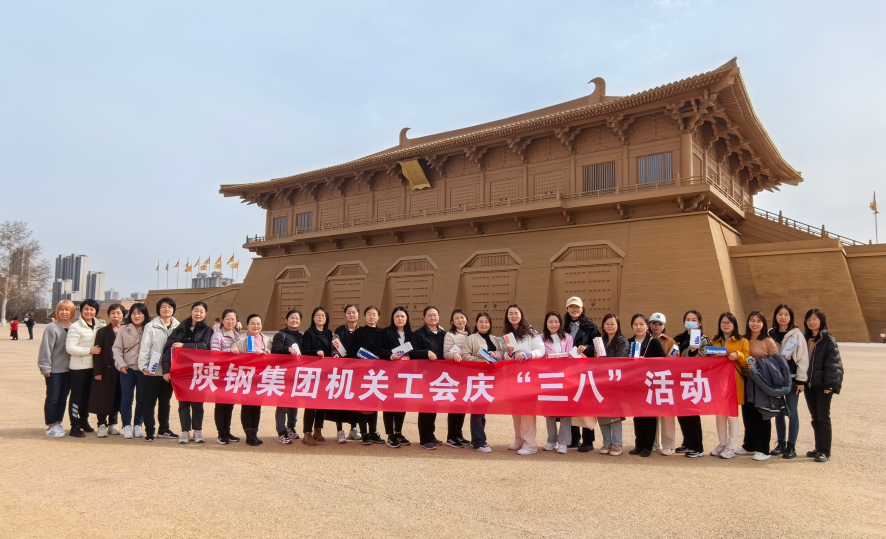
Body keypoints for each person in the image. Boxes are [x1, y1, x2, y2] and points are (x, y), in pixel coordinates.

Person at [448, 311, 500, 453]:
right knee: (477, 410)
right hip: (476, 378)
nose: (484, 324)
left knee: (483, 411)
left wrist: (496, 354)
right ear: (476, 324)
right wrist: (479, 361)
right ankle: (478, 442)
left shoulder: (495, 339)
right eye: (481, 321)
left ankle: (480, 438)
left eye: (487, 322)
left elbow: (502, 354)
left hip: (491, 378)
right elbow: (465, 356)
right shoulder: (471, 339)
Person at [162, 302, 213, 444]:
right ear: (191, 311)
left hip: (198, 371)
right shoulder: (180, 329)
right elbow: (167, 349)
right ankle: (185, 431)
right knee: (183, 403)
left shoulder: (207, 330)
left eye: (202, 311)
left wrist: (184, 346)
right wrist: (166, 370)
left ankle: (197, 431)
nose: (198, 314)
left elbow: (205, 346)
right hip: (181, 372)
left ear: (205, 314)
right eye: (196, 310)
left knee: (197, 403)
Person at [503, 304, 545, 456]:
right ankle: (519, 439)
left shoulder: (531, 332)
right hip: (514, 376)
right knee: (516, 410)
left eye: (516, 313)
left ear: (521, 315)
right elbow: (506, 357)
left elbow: (541, 350)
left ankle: (530, 444)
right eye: (510, 314)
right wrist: (508, 354)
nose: (513, 316)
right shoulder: (507, 335)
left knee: (527, 410)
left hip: (529, 376)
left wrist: (529, 354)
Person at [768, 304, 809, 459]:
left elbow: (803, 358)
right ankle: (781, 443)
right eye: (780, 314)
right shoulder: (770, 333)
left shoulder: (797, 335)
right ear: (775, 316)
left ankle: (791, 446)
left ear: (791, 317)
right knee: (778, 412)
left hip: (792, 379)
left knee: (792, 412)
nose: (783, 317)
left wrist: (801, 380)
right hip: (775, 380)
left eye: (786, 314)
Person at [803, 309, 843, 463]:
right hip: (809, 384)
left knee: (823, 418)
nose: (811, 322)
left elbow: (834, 364)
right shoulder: (805, 338)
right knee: (815, 418)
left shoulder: (828, 340)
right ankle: (818, 447)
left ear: (821, 321)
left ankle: (824, 451)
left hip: (823, 385)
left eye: (815, 319)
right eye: (809, 319)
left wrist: (830, 384)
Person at [138, 297, 180, 442]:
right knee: (149, 401)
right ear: (158, 310)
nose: (166, 309)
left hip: (169, 371)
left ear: (173, 309)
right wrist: (143, 366)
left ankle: (164, 429)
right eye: (163, 307)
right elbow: (145, 347)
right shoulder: (151, 326)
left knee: (165, 401)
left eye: (169, 307)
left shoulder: (178, 326)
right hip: (153, 370)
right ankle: (150, 430)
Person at [709, 312, 750, 459]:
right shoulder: (715, 340)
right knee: (720, 414)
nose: (725, 325)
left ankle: (731, 447)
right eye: (723, 322)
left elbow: (747, 360)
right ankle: (722, 443)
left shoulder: (742, 341)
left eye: (729, 322)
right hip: (718, 382)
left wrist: (738, 355)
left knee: (732, 416)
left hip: (734, 381)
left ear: (734, 325)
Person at [739, 311, 778, 461]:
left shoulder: (768, 341)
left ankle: (763, 448)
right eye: (752, 320)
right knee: (748, 413)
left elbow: (776, 363)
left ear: (763, 324)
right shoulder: (743, 339)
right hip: (745, 379)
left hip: (761, 381)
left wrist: (758, 363)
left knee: (762, 413)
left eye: (759, 321)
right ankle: (749, 444)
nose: (755, 323)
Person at [563, 297, 601, 451]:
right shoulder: (563, 326)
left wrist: (586, 348)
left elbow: (597, 343)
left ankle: (588, 441)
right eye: (571, 307)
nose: (574, 310)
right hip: (568, 369)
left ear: (582, 308)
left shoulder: (590, 325)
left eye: (577, 307)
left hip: (585, 368)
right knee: (571, 403)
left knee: (586, 404)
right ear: (567, 309)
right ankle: (574, 438)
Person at [627, 314, 666, 457]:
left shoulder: (653, 342)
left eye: (641, 324)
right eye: (636, 324)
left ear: (647, 326)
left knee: (648, 415)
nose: (638, 327)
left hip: (650, 383)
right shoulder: (629, 342)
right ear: (632, 326)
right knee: (637, 416)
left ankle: (647, 446)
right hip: (635, 384)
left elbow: (662, 360)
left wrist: (647, 361)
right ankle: (638, 444)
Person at [672, 310, 710, 458]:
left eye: (694, 319)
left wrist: (695, 352)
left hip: (694, 380)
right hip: (679, 379)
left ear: (699, 323)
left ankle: (697, 447)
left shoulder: (704, 339)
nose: (691, 321)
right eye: (688, 319)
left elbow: (706, 357)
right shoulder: (679, 338)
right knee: (681, 413)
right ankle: (687, 442)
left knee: (692, 413)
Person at [65, 299, 105, 437]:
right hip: (79, 368)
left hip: (93, 367)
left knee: (87, 397)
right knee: (77, 397)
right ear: (81, 310)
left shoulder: (99, 325)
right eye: (86, 309)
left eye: (92, 309)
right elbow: (70, 348)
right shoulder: (76, 327)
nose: (89, 312)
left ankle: (84, 422)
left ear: (96, 312)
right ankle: (74, 426)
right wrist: (90, 350)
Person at [410, 305, 448, 450]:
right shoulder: (418, 334)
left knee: (434, 405)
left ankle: (431, 434)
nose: (432, 318)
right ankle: (424, 439)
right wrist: (426, 353)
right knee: (425, 406)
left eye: (435, 315)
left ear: (438, 317)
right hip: (425, 375)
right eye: (429, 315)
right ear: (424, 318)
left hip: (439, 375)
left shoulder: (443, 333)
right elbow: (412, 352)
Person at [232, 313, 270, 446]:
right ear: (247, 325)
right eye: (253, 323)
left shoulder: (266, 339)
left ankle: (255, 433)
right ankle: (248, 434)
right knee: (247, 406)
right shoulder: (241, 340)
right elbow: (233, 357)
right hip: (246, 377)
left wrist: (265, 354)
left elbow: (272, 356)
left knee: (257, 406)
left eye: (258, 323)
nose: (256, 326)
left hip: (260, 377)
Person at [38, 300, 75, 438]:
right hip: (54, 370)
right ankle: (51, 425)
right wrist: (45, 367)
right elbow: (46, 349)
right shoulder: (52, 327)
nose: (64, 312)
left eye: (67, 310)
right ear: (57, 311)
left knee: (63, 398)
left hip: (69, 370)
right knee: (53, 397)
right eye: (61, 309)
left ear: (72, 312)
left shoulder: (73, 327)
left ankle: (58, 422)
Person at [114, 302, 149, 439]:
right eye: (134, 313)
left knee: (141, 399)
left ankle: (138, 425)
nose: (136, 316)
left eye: (140, 313)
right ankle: (127, 425)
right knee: (126, 399)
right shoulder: (124, 328)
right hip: (126, 369)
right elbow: (117, 348)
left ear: (145, 315)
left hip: (143, 369)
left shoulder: (149, 328)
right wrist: (120, 364)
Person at [595, 313, 629, 456]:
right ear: (603, 326)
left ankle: (617, 443)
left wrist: (603, 359)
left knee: (614, 413)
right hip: (602, 382)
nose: (610, 326)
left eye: (612, 323)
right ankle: (606, 441)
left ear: (618, 325)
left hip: (616, 381)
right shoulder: (599, 341)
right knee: (602, 412)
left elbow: (620, 360)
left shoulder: (622, 341)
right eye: (607, 323)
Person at [353, 306, 387, 446]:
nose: (371, 317)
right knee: (362, 402)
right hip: (362, 371)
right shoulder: (358, 332)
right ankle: (364, 433)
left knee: (375, 400)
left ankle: (373, 432)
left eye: (374, 314)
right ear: (364, 317)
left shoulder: (383, 333)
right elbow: (352, 350)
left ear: (378, 317)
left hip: (377, 372)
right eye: (368, 314)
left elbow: (386, 349)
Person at [541, 310, 574, 455]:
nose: (553, 324)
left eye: (556, 321)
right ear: (546, 323)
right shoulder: (541, 338)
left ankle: (564, 442)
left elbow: (570, 357)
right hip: (548, 377)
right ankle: (551, 440)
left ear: (560, 323)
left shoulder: (568, 338)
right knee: (549, 410)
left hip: (564, 377)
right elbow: (538, 356)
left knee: (566, 410)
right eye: (550, 322)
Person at [90, 303, 125, 438]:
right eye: (112, 313)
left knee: (117, 397)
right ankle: (102, 425)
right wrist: (97, 372)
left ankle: (113, 423)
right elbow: (97, 353)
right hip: (106, 370)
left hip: (122, 370)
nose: (115, 316)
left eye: (118, 313)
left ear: (123, 315)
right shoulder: (102, 332)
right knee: (103, 398)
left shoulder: (126, 331)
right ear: (109, 315)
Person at [381, 306, 413, 448]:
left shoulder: (412, 335)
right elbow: (379, 348)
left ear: (406, 319)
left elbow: (417, 350)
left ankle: (398, 432)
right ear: (393, 318)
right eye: (397, 316)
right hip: (390, 372)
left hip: (406, 374)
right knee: (389, 403)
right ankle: (390, 435)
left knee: (402, 403)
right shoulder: (386, 332)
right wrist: (391, 356)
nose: (400, 319)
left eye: (402, 316)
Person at [270, 309, 302, 445]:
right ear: (286, 320)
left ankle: (291, 428)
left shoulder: (301, 336)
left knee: (294, 404)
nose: (294, 320)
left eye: (297, 318)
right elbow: (274, 351)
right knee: (282, 405)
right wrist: (287, 349)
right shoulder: (280, 335)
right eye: (292, 318)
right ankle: (281, 432)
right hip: (284, 374)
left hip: (297, 374)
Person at [301, 307, 333, 445]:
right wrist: (316, 352)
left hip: (326, 372)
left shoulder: (330, 334)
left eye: (323, 316)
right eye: (318, 315)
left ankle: (318, 430)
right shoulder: (309, 333)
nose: (320, 318)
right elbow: (304, 350)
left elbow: (333, 350)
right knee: (311, 403)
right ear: (313, 318)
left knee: (322, 403)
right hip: (313, 372)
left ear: (326, 319)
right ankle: (307, 433)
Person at [442, 308, 473, 448]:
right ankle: (451, 436)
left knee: (463, 404)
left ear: (466, 319)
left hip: (468, 373)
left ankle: (459, 434)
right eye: (456, 318)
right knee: (454, 404)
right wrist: (453, 355)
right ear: (452, 322)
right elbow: (446, 353)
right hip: (455, 373)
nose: (460, 320)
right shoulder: (450, 335)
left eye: (462, 317)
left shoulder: (472, 334)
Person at [210, 308, 241, 444]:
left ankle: (227, 432)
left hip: (233, 375)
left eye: (233, 319)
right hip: (221, 375)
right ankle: (221, 433)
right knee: (221, 405)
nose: (230, 321)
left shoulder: (239, 336)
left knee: (230, 405)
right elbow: (214, 353)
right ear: (222, 321)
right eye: (227, 319)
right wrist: (230, 351)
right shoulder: (217, 335)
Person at [333, 304, 362, 441]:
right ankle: (340, 431)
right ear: (345, 315)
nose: (351, 315)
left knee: (355, 400)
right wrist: (335, 355)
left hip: (357, 371)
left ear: (358, 315)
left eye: (354, 312)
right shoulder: (338, 331)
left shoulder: (362, 331)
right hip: (342, 371)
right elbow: (334, 348)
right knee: (339, 400)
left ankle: (354, 429)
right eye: (349, 312)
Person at [648, 312, 676, 454]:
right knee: (650, 412)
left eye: (659, 324)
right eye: (653, 323)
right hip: (648, 380)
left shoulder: (670, 341)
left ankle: (669, 444)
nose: (656, 326)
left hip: (665, 380)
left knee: (667, 414)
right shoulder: (645, 339)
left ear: (664, 326)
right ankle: (653, 442)